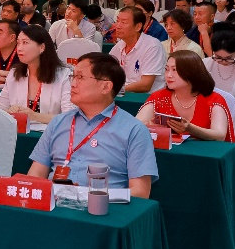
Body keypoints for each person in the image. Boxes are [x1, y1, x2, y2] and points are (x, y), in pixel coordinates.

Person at [27, 52, 159, 198]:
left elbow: (140, 193)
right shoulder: (58, 122)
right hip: (54, 205)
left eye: (80, 77)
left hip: (102, 208)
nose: (73, 83)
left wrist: (87, 195)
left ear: (106, 87)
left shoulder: (134, 130)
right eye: (73, 76)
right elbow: (35, 175)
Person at [137, 51, 235, 142]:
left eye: (174, 70)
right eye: (166, 69)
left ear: (191, 73)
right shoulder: (159, 97)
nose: (168, 75)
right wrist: (148, 125)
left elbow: (220, 135)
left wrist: (190, 128)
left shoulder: (214, 100)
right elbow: (136, 125)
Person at [0, 25, 74, 123]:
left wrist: (36, 116)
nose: (19, 48)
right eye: (18, 43)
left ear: (42, 47)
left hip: (50, 131)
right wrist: (9, 112)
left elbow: (69, 117)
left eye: (25, 43)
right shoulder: (14, 74)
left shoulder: (63, 75)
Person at [109, 7, 166, 93]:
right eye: (117, 21)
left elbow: (145, 85)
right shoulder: (119, 46)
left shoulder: (152, 46)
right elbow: (106, 71)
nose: (118, 26)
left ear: (138, 27)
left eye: (123, 22)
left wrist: (117, 90)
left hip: (147, 97)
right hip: (124, 93)